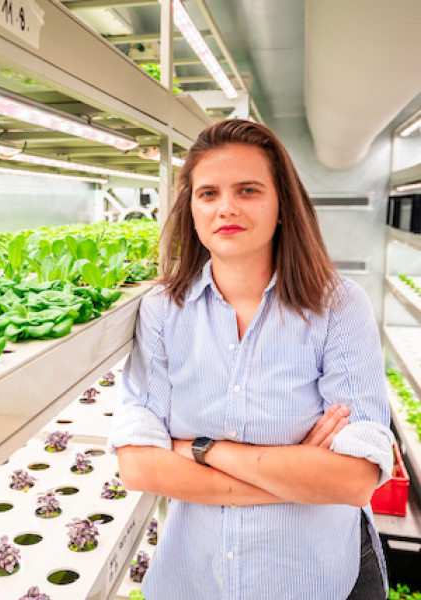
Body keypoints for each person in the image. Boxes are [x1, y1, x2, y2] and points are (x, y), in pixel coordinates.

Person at [108, 119, 394, 600]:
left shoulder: (339, 306)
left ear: (282, 205)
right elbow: (139, 467)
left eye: (247, 190)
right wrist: (298, 475)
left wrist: (200, 448)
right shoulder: (161, 311)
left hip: (313, 578)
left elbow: (355, 478)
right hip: (196, 579)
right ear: (191, 210)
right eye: (208, 194)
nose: (226, 208)